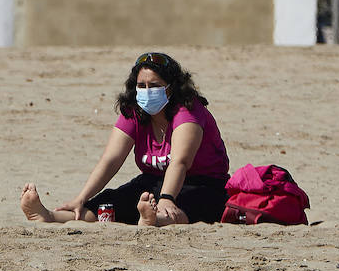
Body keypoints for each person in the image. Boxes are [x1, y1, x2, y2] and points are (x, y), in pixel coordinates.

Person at [20, 51, 231, 227]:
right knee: (113, 201)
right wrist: (81, 197)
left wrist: (167, 199)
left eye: (155, 85)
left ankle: (155, 219)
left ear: (172, 87)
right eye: (142, 85)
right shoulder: (134, 111)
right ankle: (49, 216)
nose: (147, 91)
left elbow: (180, 162)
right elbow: (111, 159)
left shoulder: (188, 112)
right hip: (153, 180)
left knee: (187, 205)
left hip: (203, 183)